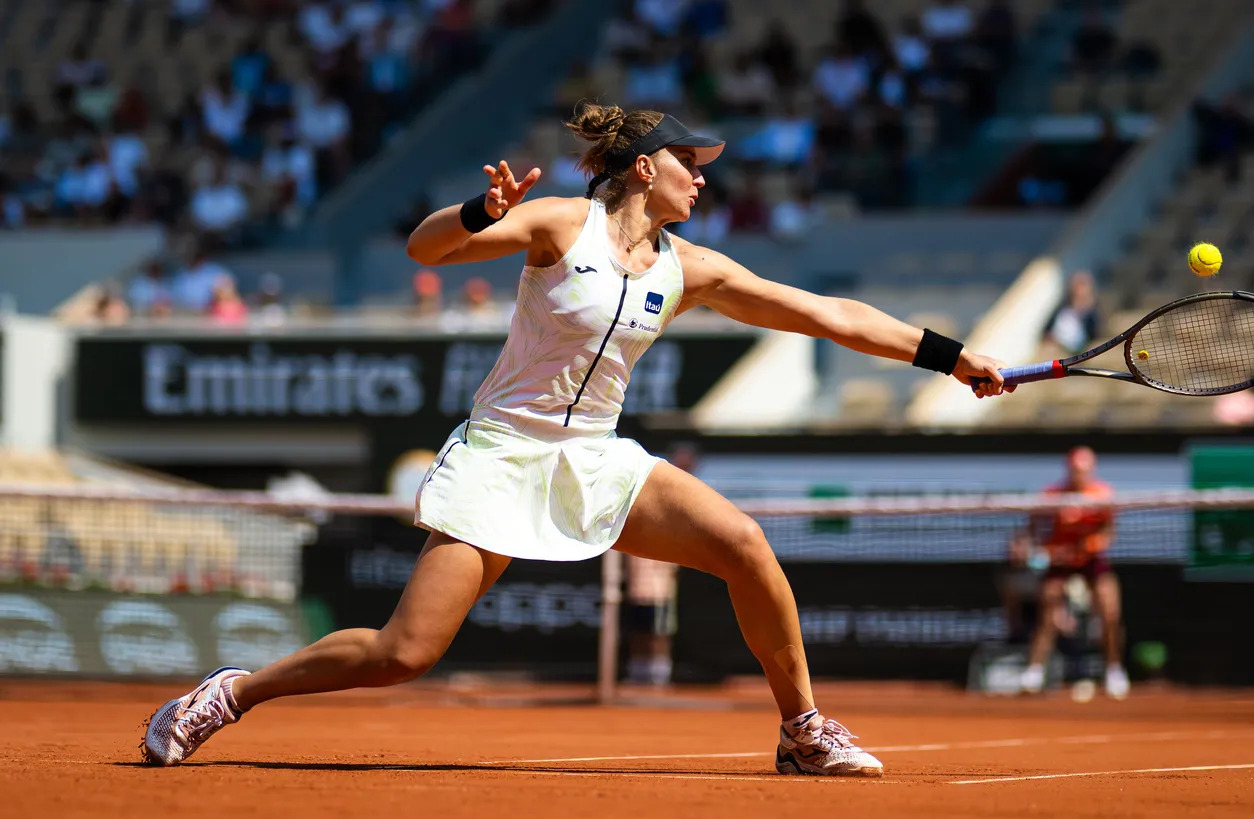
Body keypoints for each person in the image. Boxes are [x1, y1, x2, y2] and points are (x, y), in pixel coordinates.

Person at [139, 102, 1011, 777]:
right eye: (689, 164)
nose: (702, 179)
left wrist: (951, 356)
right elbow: (425, 250)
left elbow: (831, 316)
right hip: (503, 450)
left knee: (746, 544)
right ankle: (234, 691)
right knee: (404, 653)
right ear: (643, 169)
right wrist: (478, 213)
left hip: (597, 455)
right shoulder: (559, 223)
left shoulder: (690, 267)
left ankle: (802, 732)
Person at [1016, 447, 1129, 700]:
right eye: (1076, 470)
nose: (1080, 475)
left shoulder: (1103, 495)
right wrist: (1044, 551)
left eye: (1085, 470)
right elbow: (1033, 526)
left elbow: (1109, 532)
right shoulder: (1052, 495)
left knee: (1110, 612)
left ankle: (1114, 671)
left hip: (1092, 560)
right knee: (1048, 612)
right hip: (1060, 559)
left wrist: (1090, 546)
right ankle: (1033, 673)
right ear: (1068, 470)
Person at [623, 442, 696, 686]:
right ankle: (639, 672)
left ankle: (659, 674)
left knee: (660, 632)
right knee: (638, 632)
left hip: (661, 590)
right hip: (637, 589)